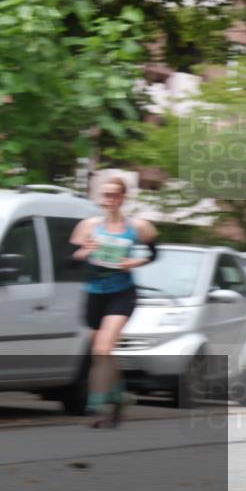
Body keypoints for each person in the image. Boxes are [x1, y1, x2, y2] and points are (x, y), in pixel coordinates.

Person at [70, 176, 158, 428]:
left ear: (122, 198)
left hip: (123, 293)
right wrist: (83, 252)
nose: (108, 199)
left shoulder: (139, 227)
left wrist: (135, 262)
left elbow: (154, 253)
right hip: (94, 293)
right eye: (105, 195)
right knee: (104, 352)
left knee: (102, 348)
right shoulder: (88, 226)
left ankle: (97, 406)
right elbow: (70, 261)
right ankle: (119, 395)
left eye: (113, 195)